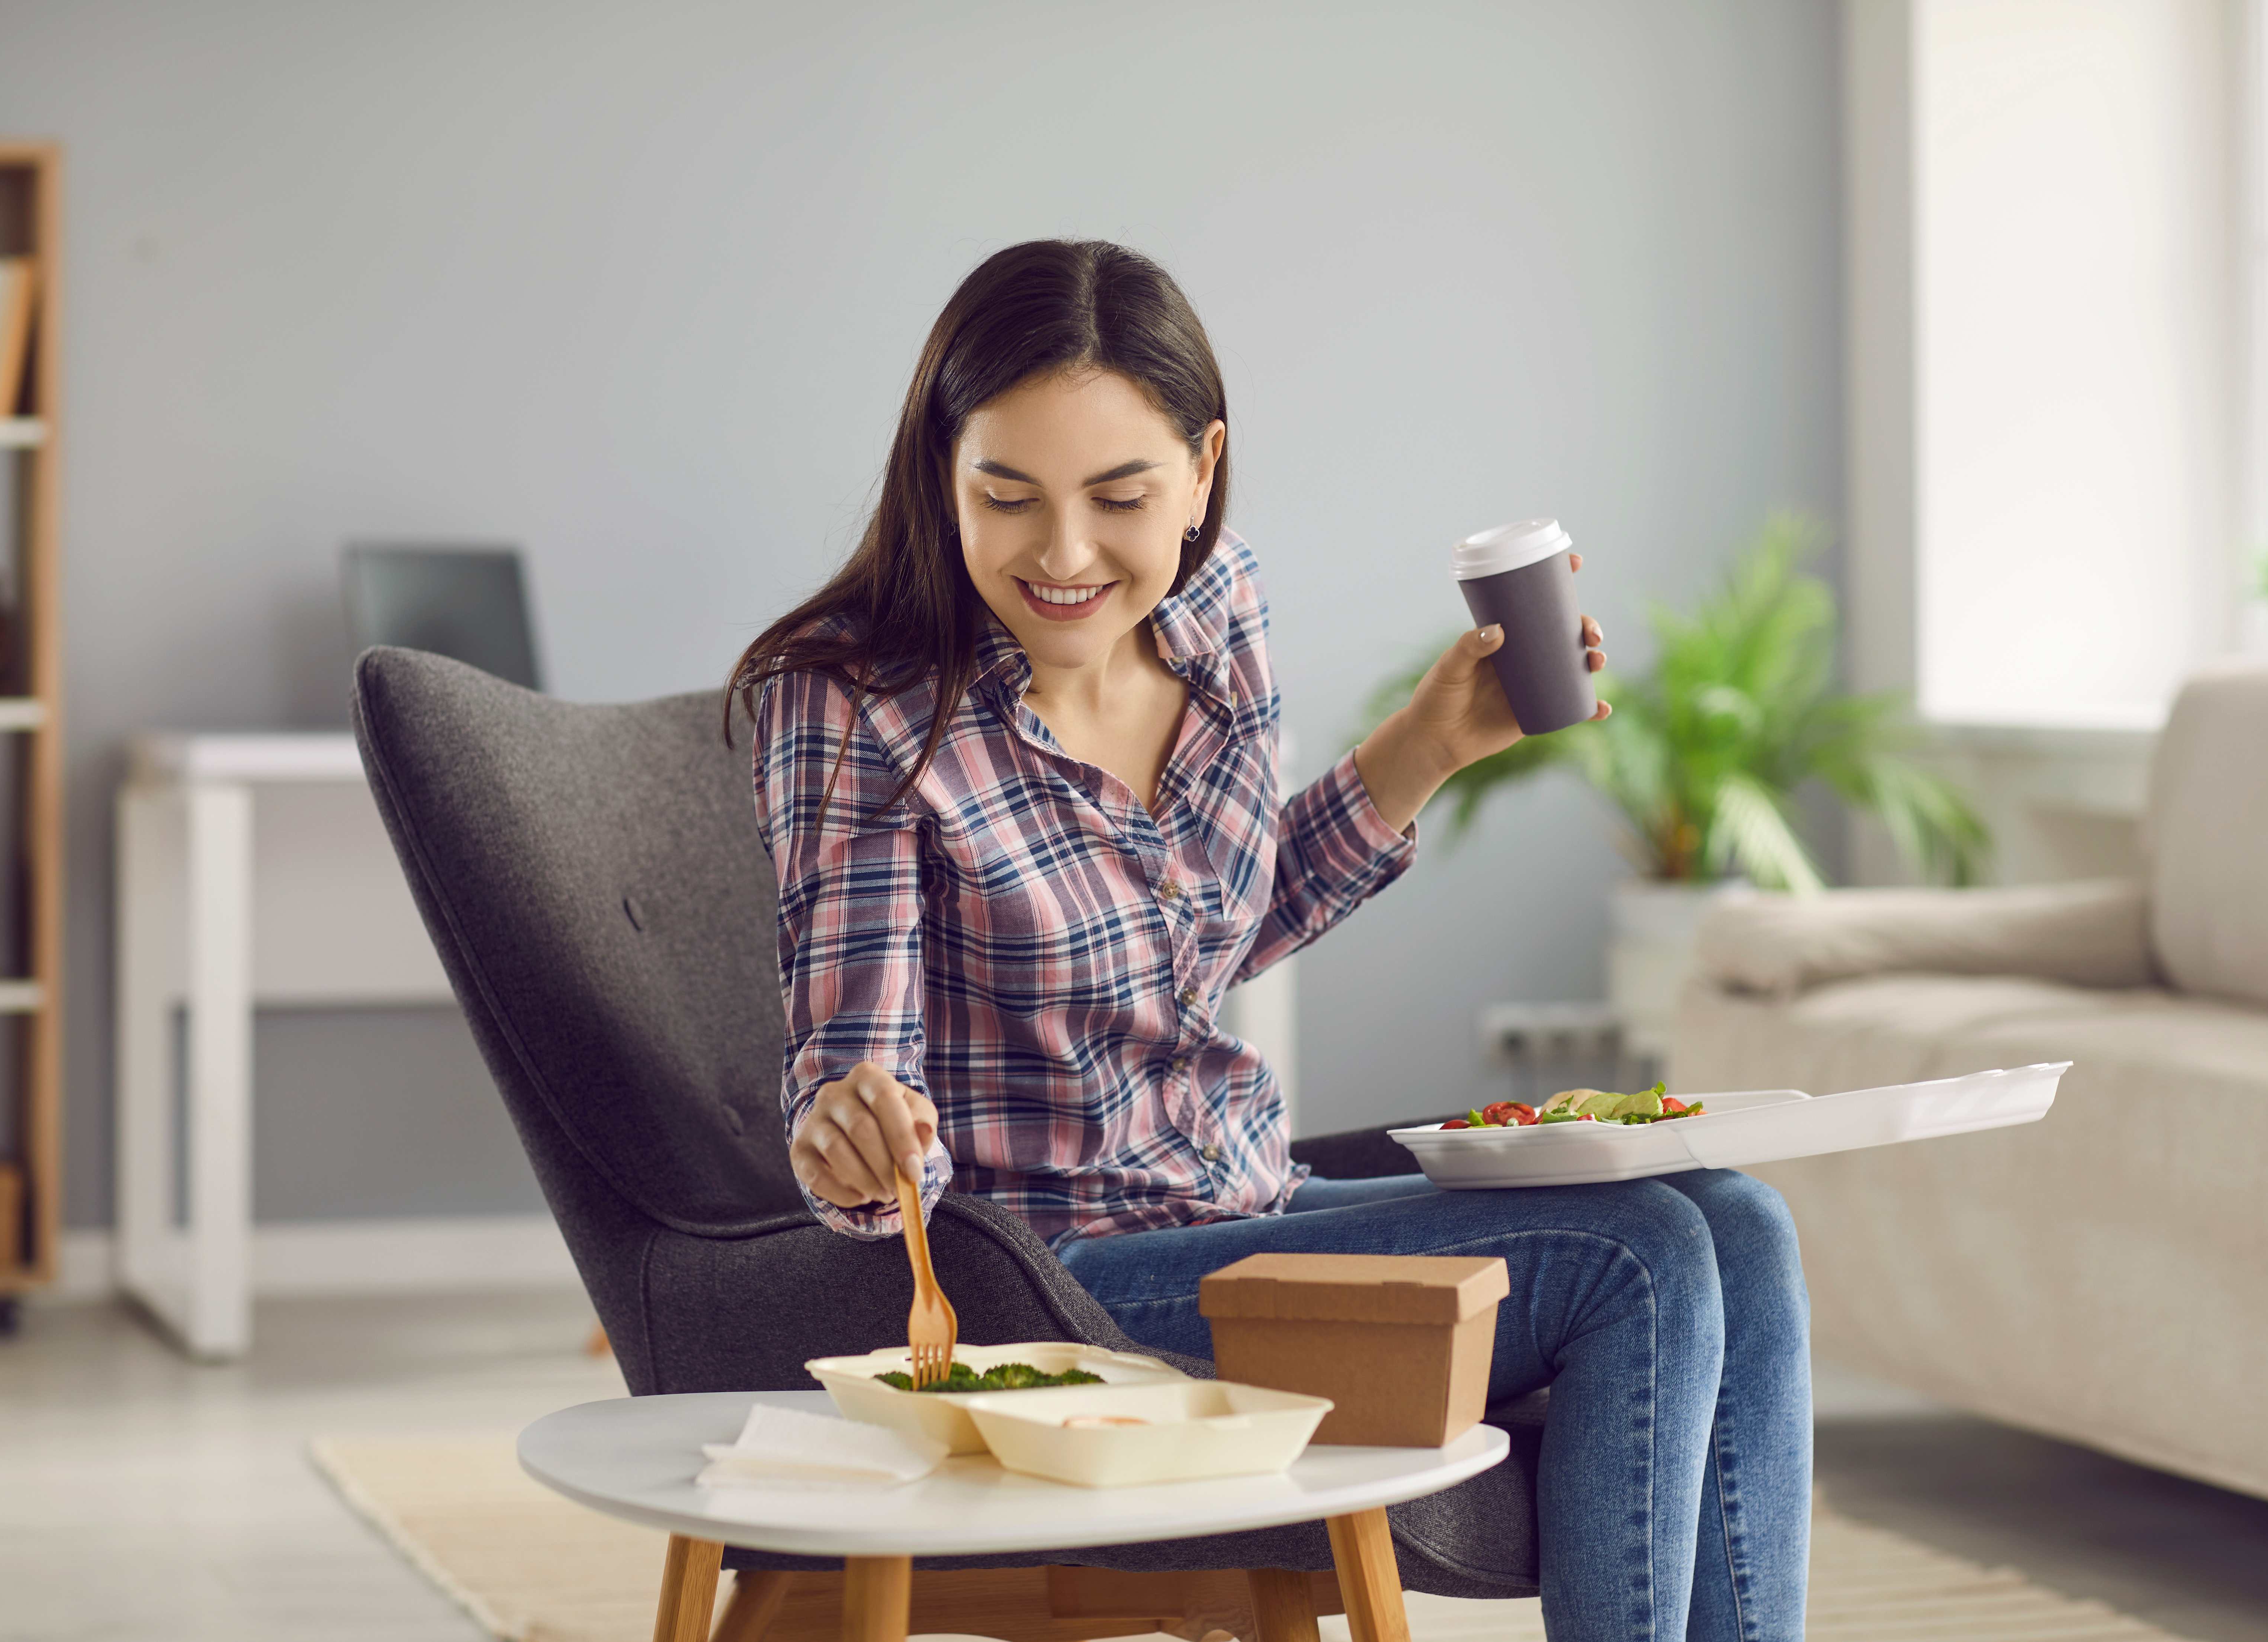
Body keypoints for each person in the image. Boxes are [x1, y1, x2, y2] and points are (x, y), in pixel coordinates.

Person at [727, 239, 1809, 1642]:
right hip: (1041, 1269)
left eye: (1119, 496)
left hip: (1232, 1203)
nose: (1063, 555)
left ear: (1200, 469)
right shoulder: (855, 703)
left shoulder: (1217, 609)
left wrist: (1422, 750)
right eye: (1007, 495)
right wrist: (854, 1134)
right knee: (1636, 1254)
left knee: (1736, 1220)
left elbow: (1213, 935)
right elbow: (856, 1081)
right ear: (942, 474)